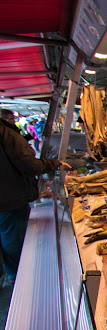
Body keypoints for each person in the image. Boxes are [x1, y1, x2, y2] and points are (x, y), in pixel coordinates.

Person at [0, 109, 70, 287]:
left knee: (8, 238)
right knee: (13, 240)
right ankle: (19, 279)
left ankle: (11, 274)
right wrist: (53, 164)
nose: (15, 122)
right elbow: (29, 164)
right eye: (12, 119)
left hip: (6, 198)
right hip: (9, 199)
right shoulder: (7, 134)